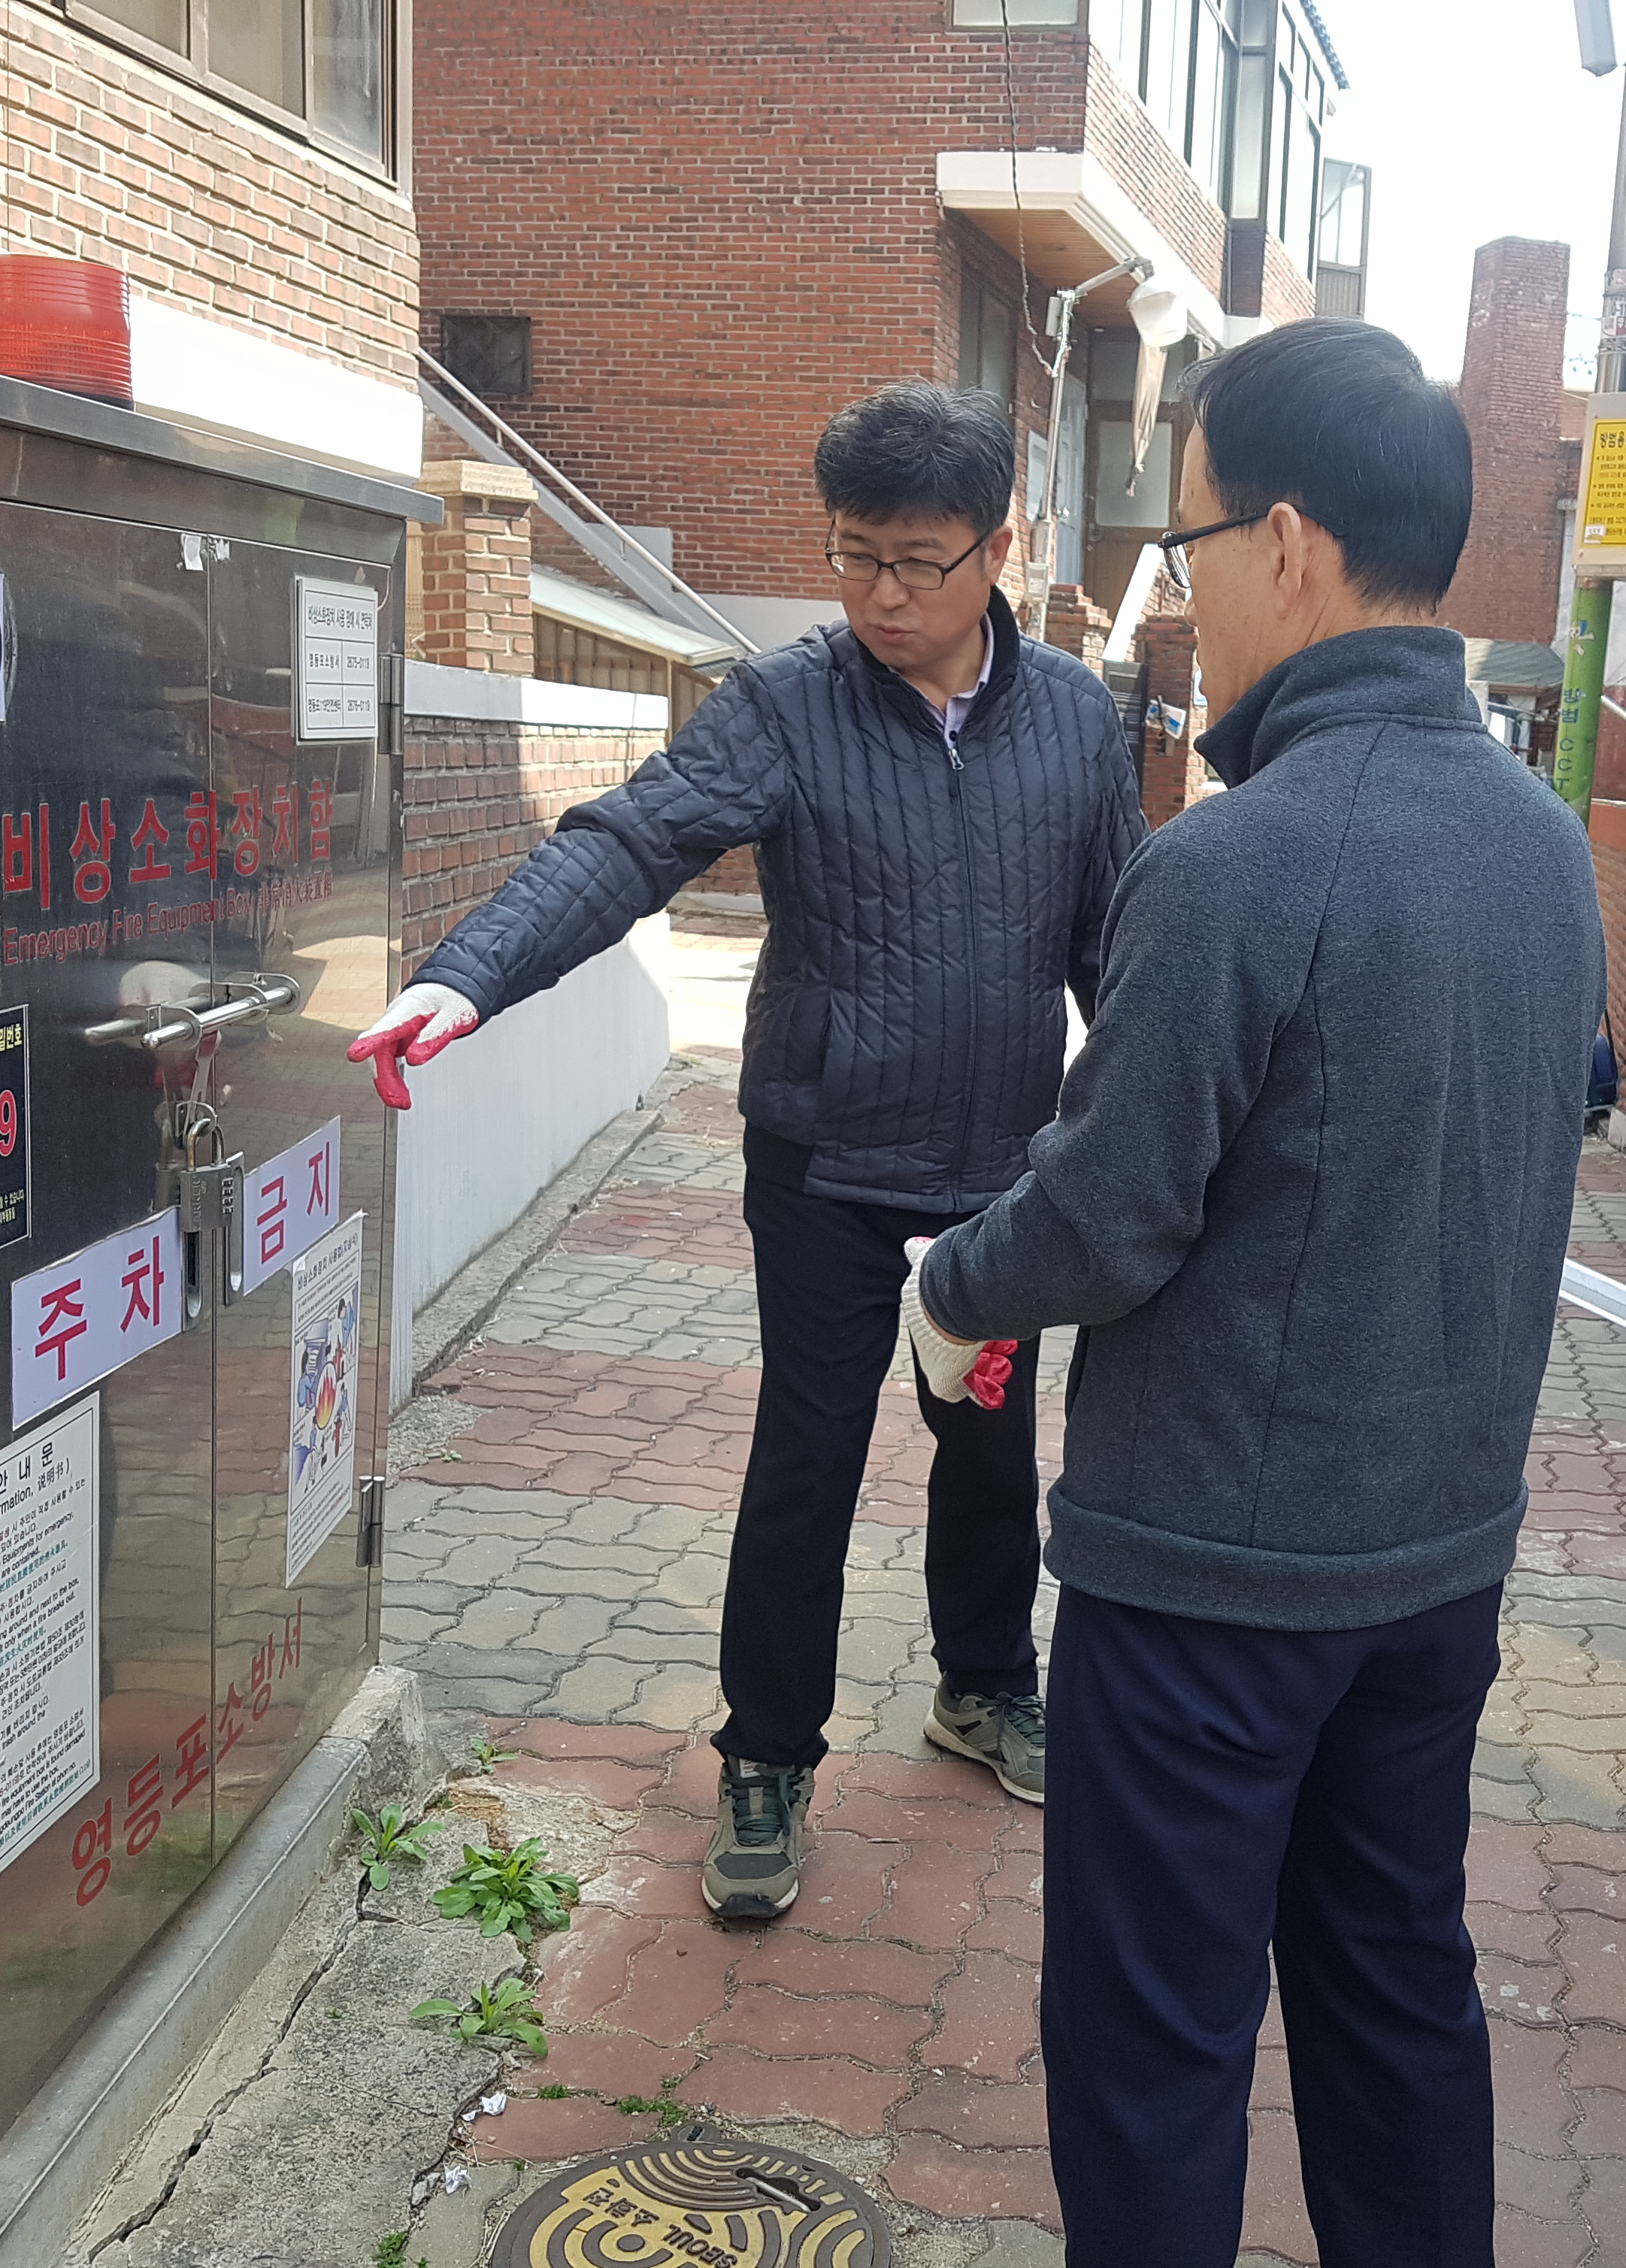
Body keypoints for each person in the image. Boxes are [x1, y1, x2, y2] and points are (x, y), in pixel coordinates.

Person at [908, 320, 1604, 2268]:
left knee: (1151, 2050)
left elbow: (1105, 1219)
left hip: (1209, 1584)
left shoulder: (1240, 863)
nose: (1177, 586)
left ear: (1286, 541)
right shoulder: (1547, 856)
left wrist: (954, 1289)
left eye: (1190, 534)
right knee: (1396, 2006)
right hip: (1436, 1564)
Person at [348, 383, 1144, 1918]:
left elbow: (1121, 949)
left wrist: (1143, 1133)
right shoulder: (787, 703)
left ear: (1006, 547)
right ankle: (767, 1757)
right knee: (809, 1461)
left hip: (1002, 1177)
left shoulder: (1077, 724)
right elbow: (630, 839)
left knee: (990, 1456)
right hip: (829, 1169)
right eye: (855, 559)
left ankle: (984, 1686)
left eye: (922, 562)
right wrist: (468, 972)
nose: (886, 598)